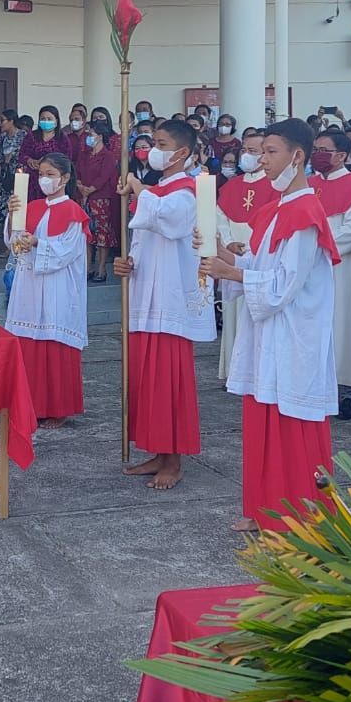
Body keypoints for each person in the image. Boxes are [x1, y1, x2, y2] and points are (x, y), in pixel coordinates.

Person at [205, 118, 338, 532]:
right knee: (263, 418)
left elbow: (284, 285)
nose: (261, 160)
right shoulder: (275, 210)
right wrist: (226, 257)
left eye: (271, 152)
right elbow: (263, 268)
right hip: (270, 334)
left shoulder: (304, 212)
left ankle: (298, 516)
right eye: (260, 151)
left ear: (297, 157)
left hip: (294, 332)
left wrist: (232, 275)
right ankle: (265, 509)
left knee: (291, 424)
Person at [113, 118, 214, 491]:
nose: (152, 148)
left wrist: (139, 190)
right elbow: (143, 238)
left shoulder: (187, 192)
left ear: (181, 152)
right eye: (152, 142)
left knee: (168, 382)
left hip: (170, 300)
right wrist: (128, 262)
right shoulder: (158, 190)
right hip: (146, 294)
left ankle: (174, 459)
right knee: (146, 380)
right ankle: (157, 451)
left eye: (160, 142)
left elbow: (168, 221)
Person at [5, 152, 89, 428]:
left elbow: (68, 251)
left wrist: (38, 244)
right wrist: (13, 216)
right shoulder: (33, 206)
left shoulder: (74, 213)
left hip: (57, 286)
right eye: (41, 174)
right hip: (29, 283)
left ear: (65, 178)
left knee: (54, 340)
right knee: (28, 339)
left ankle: (57, 408)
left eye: (51, 175)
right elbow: (14, 242)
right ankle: (30, 404)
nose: (45, 180)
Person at [310, 129, 351, 416]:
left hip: (341, 267)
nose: (318, 155)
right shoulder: (308, 185)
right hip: (310, 267)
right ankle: (318, 385)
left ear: (343, 155)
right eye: (316, 149)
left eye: (325, 150)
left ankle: (349, 392)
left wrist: (317, 245)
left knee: (345, 324)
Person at [214, 128, 279, 379]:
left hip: (257, 256)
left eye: (253, 151)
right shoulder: (232, 186)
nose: (247, 156)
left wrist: (250, 249)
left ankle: (254, 372)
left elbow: (273, 222)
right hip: (232, 255)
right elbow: (220, 218)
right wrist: (229, 243)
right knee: (233, 316)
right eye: (244, 150)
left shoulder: (275, 186)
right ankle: (234, 370)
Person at [75, 118, 120, 283]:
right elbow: (77, 173)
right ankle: (88, 268)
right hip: (84, 198)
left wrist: (90, 189)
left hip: (101, 199)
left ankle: (101, 268)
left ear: (100, 136)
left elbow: (104, 176)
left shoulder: (107, 156)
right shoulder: (84, 154)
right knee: (87, 234)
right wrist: (81, 187)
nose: (88, 136)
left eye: (91, 134)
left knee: (102, 235)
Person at [19, 107, 60, 200]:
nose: (46, 121)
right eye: (43, 119)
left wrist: (47, 162)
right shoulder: (31, 136)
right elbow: (21, 154)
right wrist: (30, 160)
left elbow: (66, 159)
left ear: (56, 121)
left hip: (53, 181)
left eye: (49, 119)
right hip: (33, 181)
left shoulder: (62, 138)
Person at [0, 110, 23, 234]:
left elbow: (26, 156)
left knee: (18, 209)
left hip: (19, 177)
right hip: (6, 177)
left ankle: (16, 240)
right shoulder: (2, 138)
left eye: (3, 120)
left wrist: (14, 156)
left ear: (11, 121)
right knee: (6, 209)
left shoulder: (24, 136)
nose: (0, 123)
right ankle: (7, 239)